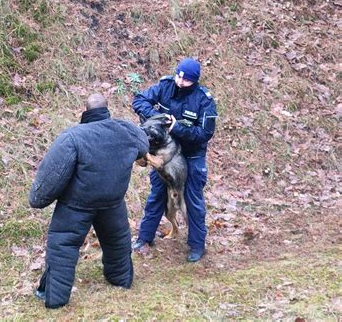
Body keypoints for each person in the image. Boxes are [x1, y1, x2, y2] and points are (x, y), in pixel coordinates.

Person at [29, 93, 149, 309]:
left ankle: (55, 298)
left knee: (62, 247)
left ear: (85, 112)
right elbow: (143, 144)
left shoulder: (73, 137)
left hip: (76, 206)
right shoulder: (126, 131)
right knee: (117, 243)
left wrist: (37, 198)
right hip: (113, 202)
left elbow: (53, 175)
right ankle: (120, 279)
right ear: (106, 110)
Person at [131, 58, 218, 262]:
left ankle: (197, 245)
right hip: (164, 153)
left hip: (190, 155)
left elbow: (205, 133)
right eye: (178, 75)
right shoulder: (165, 86)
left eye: (186, 80)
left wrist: (176, 127)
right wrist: (158, 119)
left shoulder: (204, 100)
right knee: (156, 195)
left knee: (192, 199)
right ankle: (144, 238)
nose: (180, 82)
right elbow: (139, 100)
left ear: (194, 81)